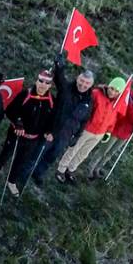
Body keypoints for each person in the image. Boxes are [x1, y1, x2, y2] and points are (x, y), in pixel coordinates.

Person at [0, 69, 57, 198]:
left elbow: (52, 119)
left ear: (50, 85)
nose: (42, 85)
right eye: (40, 81)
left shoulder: (52, 100)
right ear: (36, 81)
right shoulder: (25, 95)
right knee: (5, 155)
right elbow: (10, 110)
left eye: (47, 83)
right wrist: (18, 123)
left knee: (21, 160)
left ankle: (11, 181)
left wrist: (49, 131)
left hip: (33, 138)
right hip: (17, 135)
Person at [31, 55, 94, 183]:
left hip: (66, 136)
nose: (83, 84)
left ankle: (38, 173)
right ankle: (25, 171)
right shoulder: (66, 89)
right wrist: (59, 66)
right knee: (38, 152)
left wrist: (77, 136)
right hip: (52, 130)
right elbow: (59, 79)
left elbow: (84, 120)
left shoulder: (89, 101)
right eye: (82, 81)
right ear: (77, 79)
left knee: (51, 157)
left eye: (87, 83)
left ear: (91, 84)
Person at [56, 76, 126, 183]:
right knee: (74, 149)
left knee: (84, 153)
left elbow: (112, 119)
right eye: (112, 88)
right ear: (108, 86)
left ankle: (71, 169)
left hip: (100, 133)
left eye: (117, 91)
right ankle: (61, 169)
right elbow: (86, 110)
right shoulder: (96, 94)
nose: (113, 92)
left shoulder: (117, 104)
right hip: (87, 128)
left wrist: (108, 132)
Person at [88, 79, 133, 179]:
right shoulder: (127, 97)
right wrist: (132, 110)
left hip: (126, 133)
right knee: (104, 150)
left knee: (111, 152)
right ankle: (90, 167)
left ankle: (98, 168)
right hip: (116, 128)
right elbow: (131, 116)